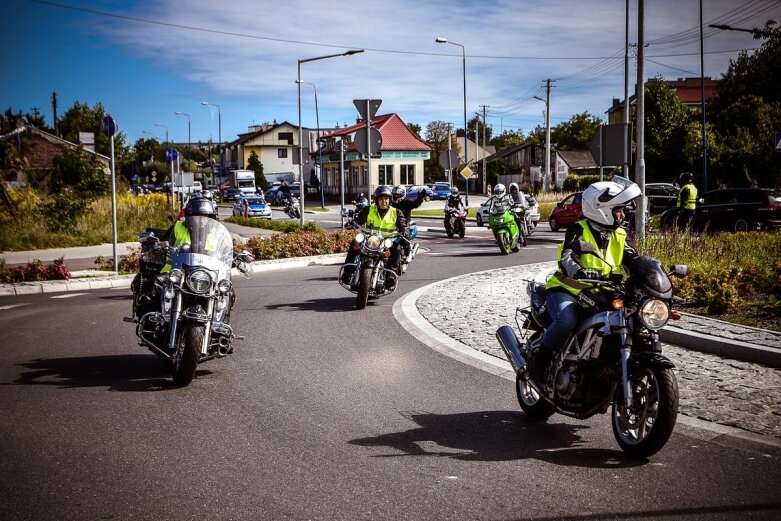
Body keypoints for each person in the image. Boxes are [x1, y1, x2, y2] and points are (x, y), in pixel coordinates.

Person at [534, 178, 642, 387]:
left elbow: (633, 259)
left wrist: (651, 272)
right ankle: (540, 363)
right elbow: (568, 256)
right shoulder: (578, 229)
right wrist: (581, 270)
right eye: (618, 210)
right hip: (568, 290)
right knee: (567, 320)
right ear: (602, 209)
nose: (623, 214)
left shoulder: (619, 234)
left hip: (602, 292)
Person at [341, 185, 408, 287]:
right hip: (370, 240)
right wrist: (352, 224)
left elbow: (402, 223)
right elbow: (359, 221)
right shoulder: (369, 209)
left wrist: (404, 229)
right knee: (354, 243)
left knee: (396, 248)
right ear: (376, 200)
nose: (383, 201)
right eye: (381, 199)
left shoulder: (396, 212)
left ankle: (391, 276)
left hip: (386, 241)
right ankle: (348, 272)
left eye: (386, 199)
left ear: (390, 200)